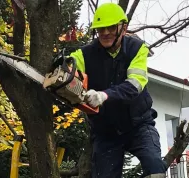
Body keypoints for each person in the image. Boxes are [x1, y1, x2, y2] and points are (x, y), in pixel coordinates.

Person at [70, 2, 167, 178]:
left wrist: (103, 95)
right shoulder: (85, 54)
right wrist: (63, 73)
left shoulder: (137, 49)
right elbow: (71, 64)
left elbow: (135, 85)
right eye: (100, 29)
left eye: (111, 27)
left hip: (139, 125)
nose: (105, 33)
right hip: (105, 131)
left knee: (155, 169)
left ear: (123, 27)